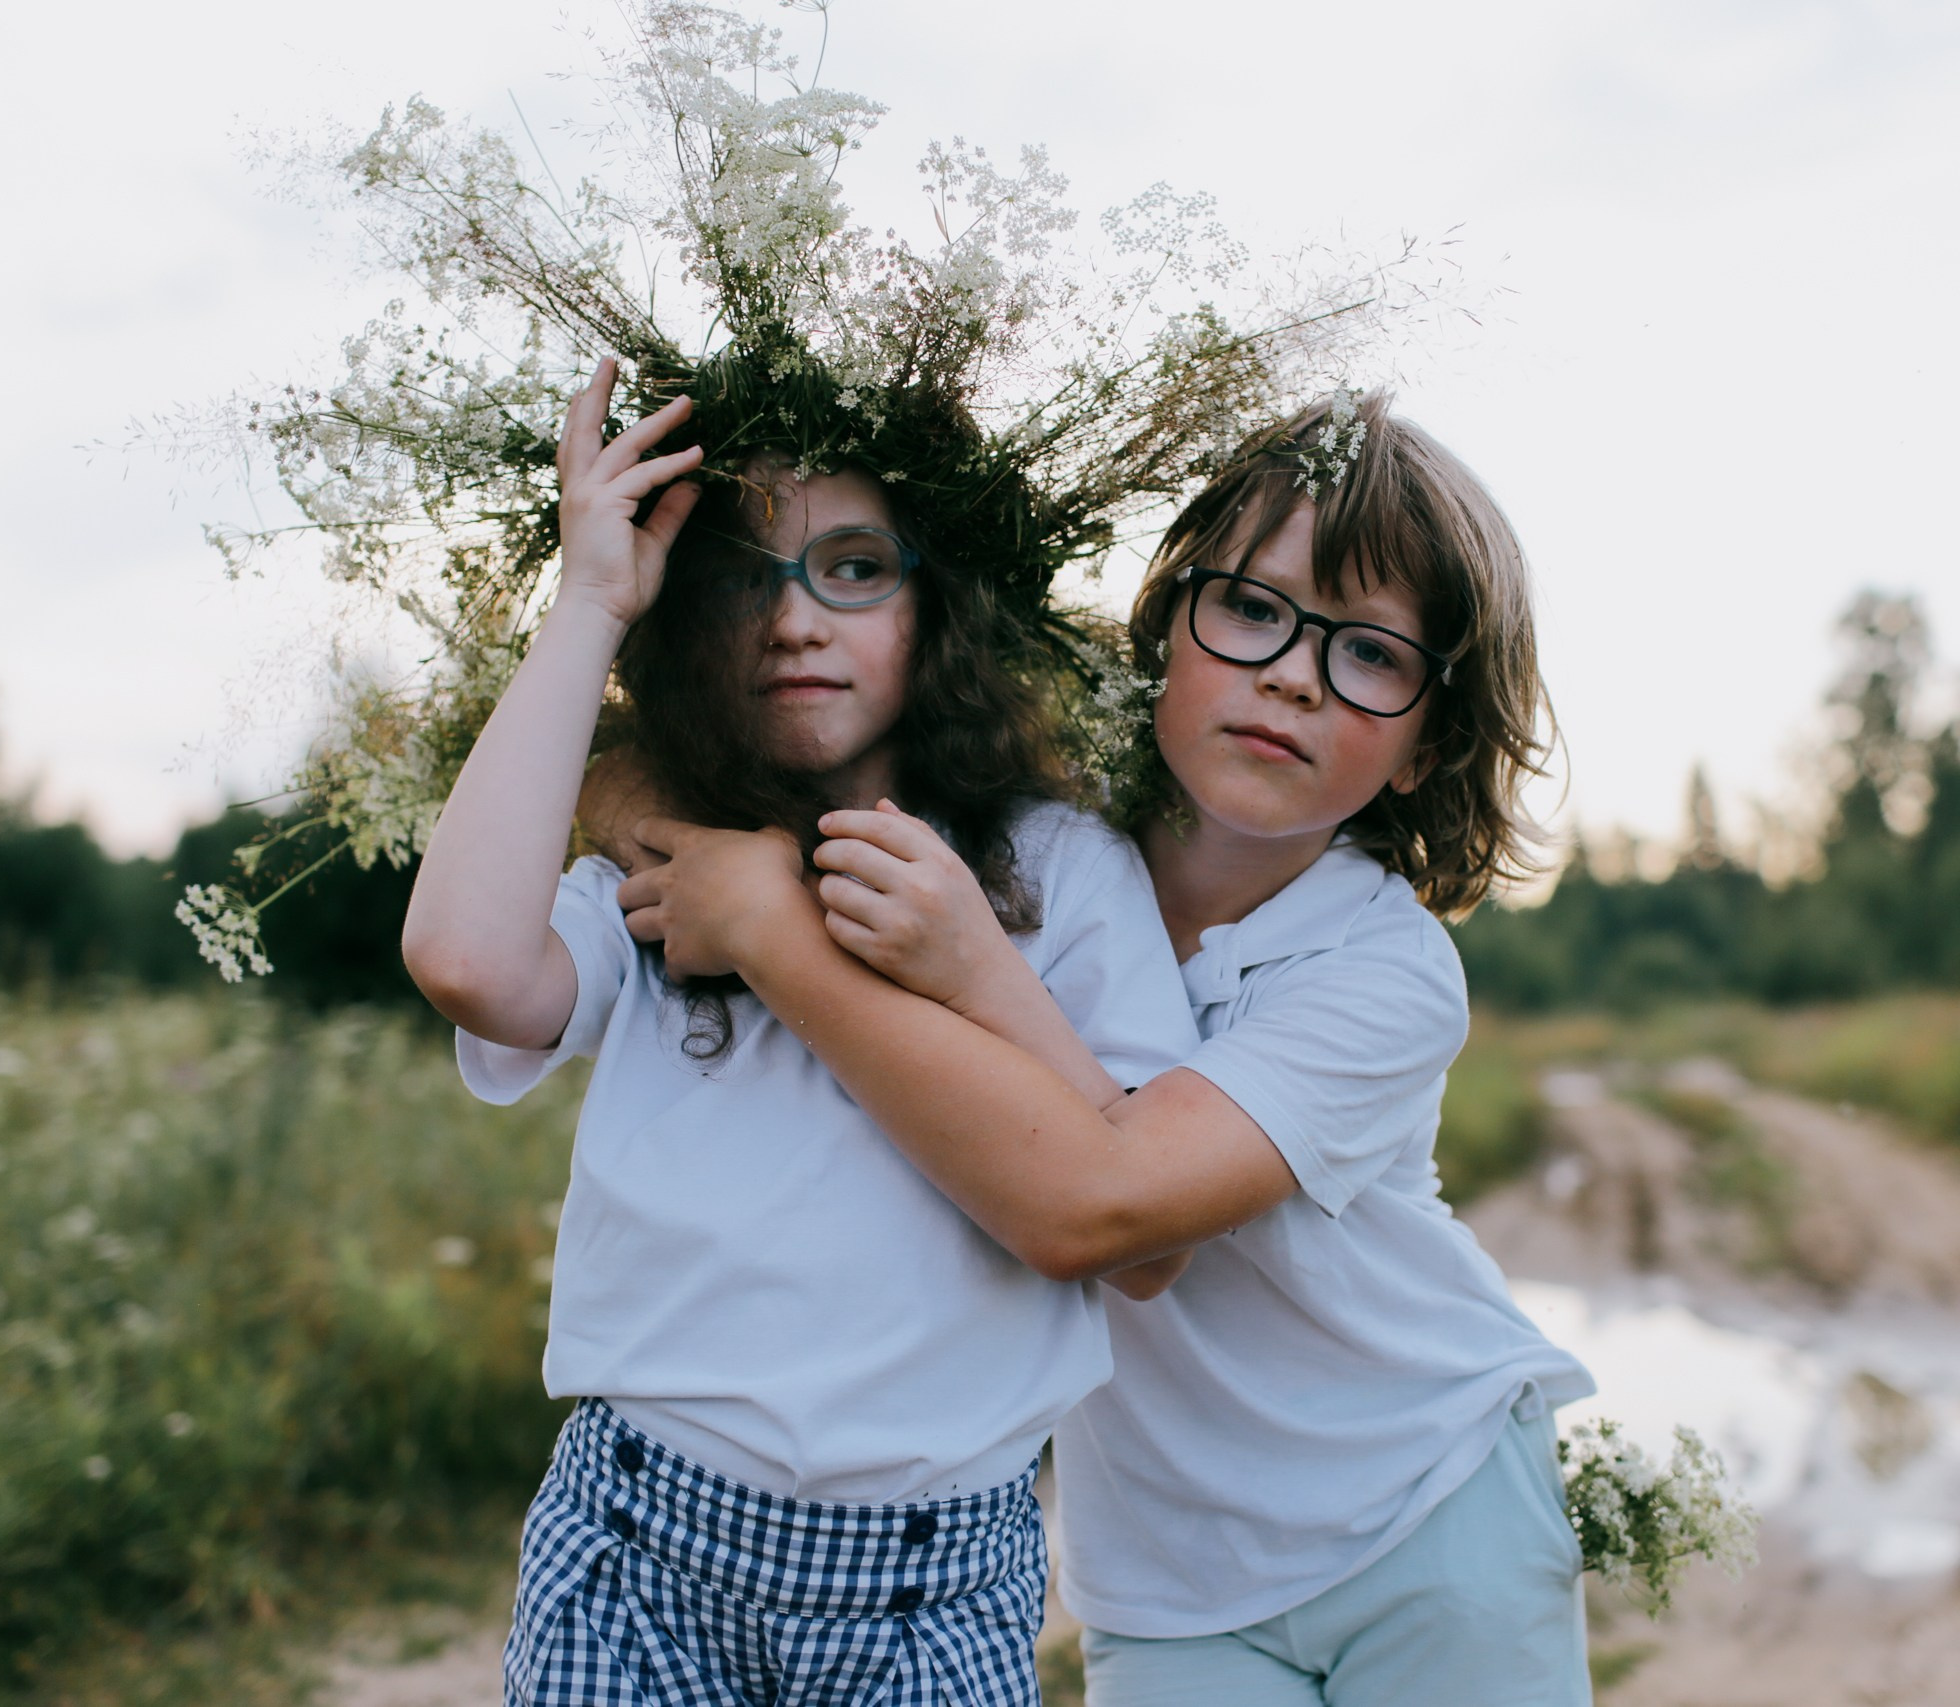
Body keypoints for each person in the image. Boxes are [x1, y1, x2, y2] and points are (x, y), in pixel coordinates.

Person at [617, 393, 1598, 1706]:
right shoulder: (1035, 844)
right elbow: (711, 775)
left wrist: (971, 968)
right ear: (1165, 627)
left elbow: (1120, 1213)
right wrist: (628, 773)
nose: (1293, 675)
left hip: (1427, 1510)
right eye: (1251, 609)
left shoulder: (1383, 968)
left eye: (1371, 653)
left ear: (1429, 744)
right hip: (1167, 1577)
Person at [400, 358, 1197, 1707]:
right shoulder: (667, 859)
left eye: (854, 569)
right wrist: (588, 601)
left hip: (930, 1592)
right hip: (638, 1550)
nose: (791, 620)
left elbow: (1146, 1227)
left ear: (936, 604)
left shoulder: (1061, 870)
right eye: (740, 579)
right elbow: (469, 963)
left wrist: (944, 967)